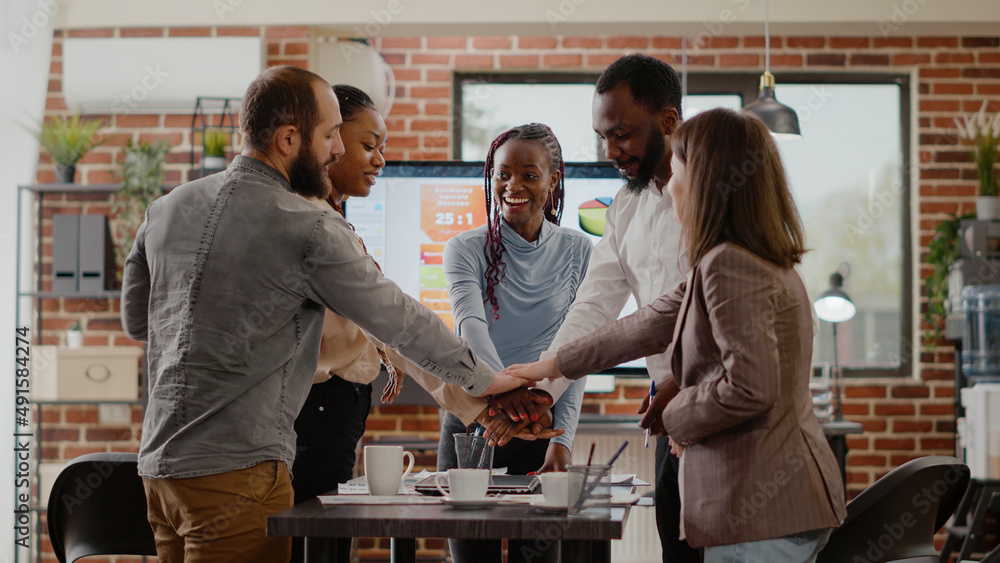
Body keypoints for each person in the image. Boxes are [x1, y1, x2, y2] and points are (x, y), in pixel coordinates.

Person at [121, 66, 526, 563]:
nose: (337, 149)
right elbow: (399, 319)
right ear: (289, 139)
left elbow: (139, 323)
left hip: (159, 470)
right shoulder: (307, 224)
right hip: (238, 473)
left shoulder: (165, 208)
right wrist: (487, 383)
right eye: (331, 134)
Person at [504, 108, 848, 562]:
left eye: (680, 169)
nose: (672, 185)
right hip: (782, 506)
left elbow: (749, 388)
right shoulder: (746, 258)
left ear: (706, 180)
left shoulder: (730, 265)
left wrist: (676, 415)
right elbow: (649, 321)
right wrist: (550, 367)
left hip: (760, 509)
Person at [290, 87, 562, 562]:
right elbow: (403, 326)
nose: (379, 160)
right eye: (365, 144)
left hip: (334, 418)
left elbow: (393, 334)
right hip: (314, 418)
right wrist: (494, 391)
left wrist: (486, 403)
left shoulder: (331, 220)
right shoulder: (311, 223)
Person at [523, 53, 699, 563]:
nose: (610, 151)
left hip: (715, 412)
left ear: (668, 122)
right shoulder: (625, 206)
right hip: (670, 420)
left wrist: (685, 382)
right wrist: (542, 387)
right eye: (602, 137)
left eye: (621, 134)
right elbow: (592, 307)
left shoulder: (716, 198)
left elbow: (696, 314)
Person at [437, 123, 591, 563]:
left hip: (545, 424)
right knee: (471, 558)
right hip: (474, 422)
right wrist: (511, 398)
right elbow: (472, 330)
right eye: (503, 174)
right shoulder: (464, 248)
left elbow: (573, 355)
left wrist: (562, 443)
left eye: (529, 174)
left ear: (553, 179)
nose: (513, 186)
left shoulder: (580, 252)